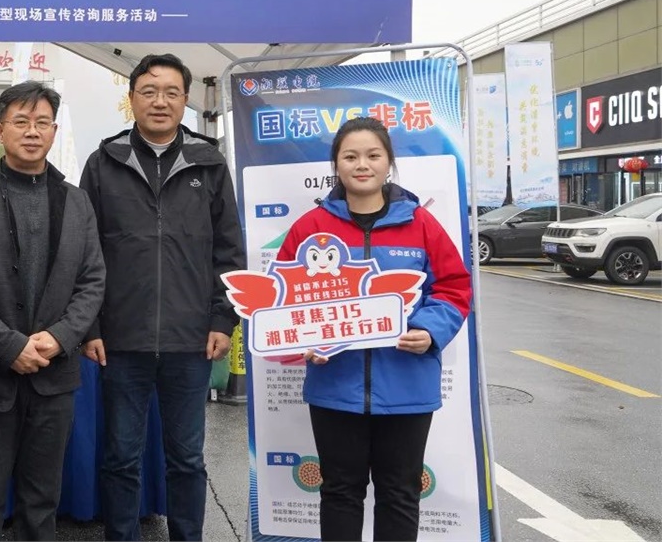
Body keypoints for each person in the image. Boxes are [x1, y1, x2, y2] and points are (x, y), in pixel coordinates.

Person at [277, 116, 472, 542]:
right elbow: (283, 299)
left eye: (372, 155)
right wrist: (306, 340)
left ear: (388, 163)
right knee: (339, 492)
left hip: (406, 387)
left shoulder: (421, 224)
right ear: (336, 165)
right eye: (350, 156)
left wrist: (429, 330)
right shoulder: (311, 228)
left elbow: (454, 287)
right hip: (335, 387)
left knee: (399, 493)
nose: (362, 164)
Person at [80, 53, 245, 541]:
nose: (160, 101)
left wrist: (222, 319)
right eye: (149, 91)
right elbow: (84, 253)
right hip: (121, 340)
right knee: (121, 457)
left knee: (187, 458)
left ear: (185, 100)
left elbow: (229, 251)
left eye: (172, 92)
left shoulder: (208, 163)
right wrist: (90, 326)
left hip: (190, 339)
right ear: (132, 99)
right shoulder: (104, 163)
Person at [0, 81, 106, 541]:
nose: (32, 132)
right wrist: (10, 346)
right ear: (0, 130)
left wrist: (61, 337)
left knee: (42, 501)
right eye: (21, 121)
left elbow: (93, 280)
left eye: (42, 123)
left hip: (54, 376)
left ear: (53, 131)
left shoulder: (77, 201)